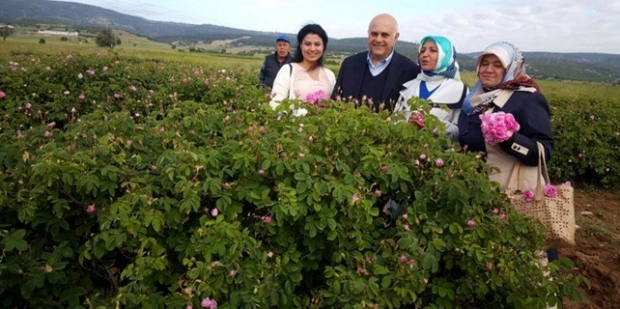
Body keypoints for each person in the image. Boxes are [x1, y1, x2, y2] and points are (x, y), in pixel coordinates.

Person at [457, 42, 559, 302]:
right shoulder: (475, 98)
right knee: (487, 259)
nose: (488, 70)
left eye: (497, 64)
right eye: (484, 63)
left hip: (511, 192)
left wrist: (509, 138)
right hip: (478, 190)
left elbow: (543, 151)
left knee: (526, 258)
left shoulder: (527, 98)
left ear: (511, 68)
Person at [331, 13, 420, 112]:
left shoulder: (410, 71)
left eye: (385, 35)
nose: (378, 39)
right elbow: (335, 103)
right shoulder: (350, 64)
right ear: (368, 34)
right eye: (374, 34)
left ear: (396, 37)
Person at [394, 35, 467, 142]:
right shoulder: (409, 86)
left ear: (445, 55)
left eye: (433, 50)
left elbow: (460, 132)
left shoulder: (459, 90)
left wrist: (432, 124)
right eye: (422, 51)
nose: (425, 54)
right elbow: (394, 119)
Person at [269, 24, 336, 116]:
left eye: (317, 44)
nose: (312, 49)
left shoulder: (329, 75)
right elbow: (275, 104)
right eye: (307, 44)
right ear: (300, 45)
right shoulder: (288, 70)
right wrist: (304, 113)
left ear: (323, 47)